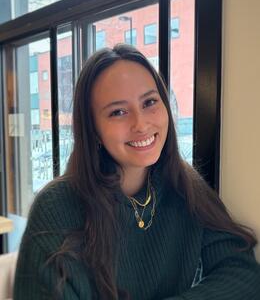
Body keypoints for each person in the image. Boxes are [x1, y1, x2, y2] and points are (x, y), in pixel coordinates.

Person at [14, 44, 260, 300]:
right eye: (118, 112)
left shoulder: (184, 185)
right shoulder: (57, 207)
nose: (141, 124)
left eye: (149, 102)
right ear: (93, 130)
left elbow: (243, 273)